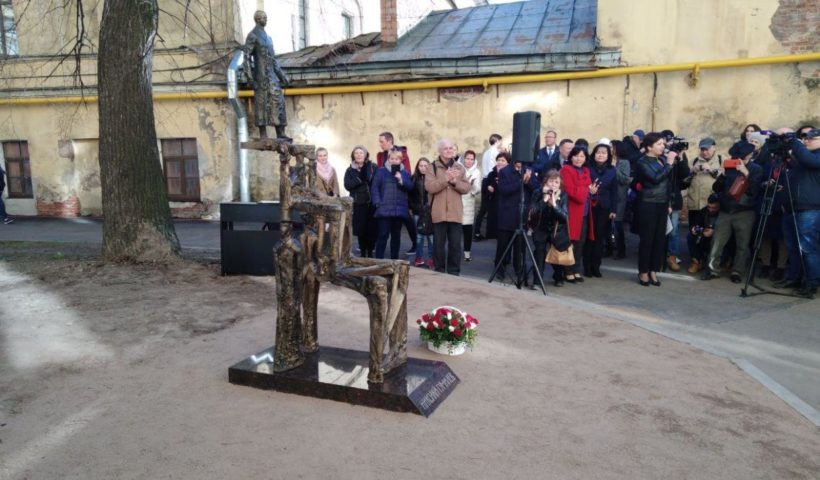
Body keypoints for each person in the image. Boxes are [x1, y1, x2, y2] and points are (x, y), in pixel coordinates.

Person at [702, 142, 764, 283]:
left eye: (740, 156)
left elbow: (755, 191)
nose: (737, 158)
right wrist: (723, 175)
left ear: (749, 155)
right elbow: (716, 187)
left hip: (745, 211)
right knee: (717, 242)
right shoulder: (729, 167)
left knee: (742, 244)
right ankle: (712, 270)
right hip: (726, 210)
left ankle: (737, 271)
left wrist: (746, 173)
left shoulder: (756, 169)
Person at [635, 132, 676, 286]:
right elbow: (655, 178)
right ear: (649, 147)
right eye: (659, 144)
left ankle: (654, 270)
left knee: (659, 239)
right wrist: (669, 164)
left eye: (663, 143)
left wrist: (669, 204)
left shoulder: (662, 161)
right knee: (647, 239)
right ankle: (643, 271)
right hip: (648, 203)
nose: (663, 146)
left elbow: (668, 184)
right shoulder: (642, 162)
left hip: (662, 203)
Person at [425, 139, 471, 275]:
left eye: (451, 148)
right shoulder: (431, 167)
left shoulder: (460, 167)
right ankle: (439, 272)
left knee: (455, 246)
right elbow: (430, 187)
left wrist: (455, 182)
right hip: (438, 213)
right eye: (446, 148)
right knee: (438, 246)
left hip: (455, 213)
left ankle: (454, 273)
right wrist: (445, 179)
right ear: (439, 151)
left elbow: (467, 188)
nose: (449, 150)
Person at [242, 10, 289, 139]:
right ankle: (263, 133)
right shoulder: (252, 35)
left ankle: (280, 131)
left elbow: (274, 60)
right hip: (260, 76)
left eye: (266, 17)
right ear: (257, 19)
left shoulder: (268, 38)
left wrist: (282, 77)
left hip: (272, 77)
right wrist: (250, 78)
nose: (266, 19)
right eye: (263, 17)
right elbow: (246, 57)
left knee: (279, 101)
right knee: (261, 104)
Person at [787, 128, 820, 298]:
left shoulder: (815, 157)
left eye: (811, 138)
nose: (806, 141)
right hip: (800, 207)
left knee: (808, 248)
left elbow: (809, 160)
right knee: (802, 248)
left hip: (812, 209)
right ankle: (805, 279)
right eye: (805, 138)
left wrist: (794, 141)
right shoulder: (807, 158)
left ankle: (812, 282)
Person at [375, 132, 416, 254]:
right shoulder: (382, 161)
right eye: (391, 158)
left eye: (382, 141)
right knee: (382, 234)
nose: (380, 144)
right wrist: (378, 202)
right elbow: (376, 185)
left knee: (397, 234)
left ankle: (399, 257)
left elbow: (409, 182)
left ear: (389, 141)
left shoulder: (402, 157)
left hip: (400, 203)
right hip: (385, 203)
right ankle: (378, 260)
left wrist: (401, 179)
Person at [560, 146, 595, 283]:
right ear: (571, 157)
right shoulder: (566, 170)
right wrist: (586, 189)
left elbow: (590, 188)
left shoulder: (586, 170)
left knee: (580, 242)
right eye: (576, 155)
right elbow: (570, 190)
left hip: (585, 211)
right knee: (570, 241)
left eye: (582, 156)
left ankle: (576, 269)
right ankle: (567, 270)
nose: (578, 159)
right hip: (571, 210)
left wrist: (590, 191)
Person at [530, 169, 569, 287]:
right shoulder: (537, 192)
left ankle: (558, 277)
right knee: (539, 253)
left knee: (557, 253)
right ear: (545, 182)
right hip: (540, 227)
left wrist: (555, 205)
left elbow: (565, 217)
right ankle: (537, 281)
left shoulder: (562, 195)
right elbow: (533, 212)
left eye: (556, 182)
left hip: (556, 229)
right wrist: (544, 200)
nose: (553, 184)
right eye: (551, 181)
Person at [584, 143, 617, 277]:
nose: (601, 155)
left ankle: (596, 266)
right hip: (589, 205)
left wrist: (613, 209)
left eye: (604, 153)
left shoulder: (612, 170)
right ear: (594, 154)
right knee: (588, 237)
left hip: (604, 206)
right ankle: (586, 267)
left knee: (599, 237)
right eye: (598, 152)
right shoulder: (587, 168)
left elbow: (615, 191)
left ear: (608, 155)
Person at [343, 146, 378, 257]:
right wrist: (359, 179)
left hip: (371, 202)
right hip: (358, 203)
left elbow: (378, 182)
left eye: (361, 153)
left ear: (366, 155)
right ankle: (363, 252)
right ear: (353, 155)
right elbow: (347, 185)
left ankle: (371, 251)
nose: (358, 155)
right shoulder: (350, 170)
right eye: (356, 153)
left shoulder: (373, 167)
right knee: (360, 229)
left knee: (372, 229)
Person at [475, 133, 504, 240]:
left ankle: (477, 231)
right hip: (491, 179)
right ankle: (490, 233)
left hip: (485, 180)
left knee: (483, 208)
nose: (501, 143)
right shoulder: (496, 153)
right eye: (500, 141)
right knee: (492, 208)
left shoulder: (486, 152)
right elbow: (495, 169)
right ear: (497, 141)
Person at [410, 158, 434, 269]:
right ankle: (418, 258)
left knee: (431, 237)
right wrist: (414, 208)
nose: (423, 168)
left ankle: (431, 259)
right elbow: (409, 196)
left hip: (430, 212)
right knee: (419, 236)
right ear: (417, 167)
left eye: (426, 165)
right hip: (418, 212)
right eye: (421, 165)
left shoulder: (433, 179)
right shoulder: (414, 178)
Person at [687, 194, 720, 274]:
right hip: (704, 236)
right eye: (709, 207)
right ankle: (696, 261)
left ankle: (722, 262)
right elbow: (695, 224)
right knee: (690, 236)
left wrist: (714, 231)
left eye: (714, 208)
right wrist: (694, 229)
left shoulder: (723, 214)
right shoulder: (704, 211)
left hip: (717, 237)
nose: (711, 210)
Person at [611, 140, 631, 259]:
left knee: (617, 224)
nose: (609, 149)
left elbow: (624, 179)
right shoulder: (606, 160)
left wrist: (614, 168)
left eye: (611, 147)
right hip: (608, 196)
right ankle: (608, 247)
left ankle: (621, 250)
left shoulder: (624, 162)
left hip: (619, 197)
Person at [460, 150, 481, 262]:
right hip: (457, 200)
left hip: (469, 201)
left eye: (471, 159)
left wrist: (472, 186)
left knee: (467, 229)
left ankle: (467, 254)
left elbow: (478, 188)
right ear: (464, 159)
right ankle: (454, 252)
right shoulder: (458, 168)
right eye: (467, 158)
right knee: (455, 229)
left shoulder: (476, 172)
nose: (469, 161)